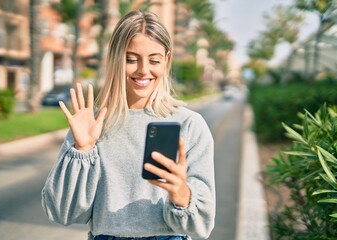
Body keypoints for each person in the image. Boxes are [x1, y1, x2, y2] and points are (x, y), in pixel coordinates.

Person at [41, 10, 215, 240]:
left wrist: (182, 194)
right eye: (131, 59)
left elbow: (202, 225)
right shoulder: (92, 124)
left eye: (154, 60)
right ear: (114, 58)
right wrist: (82, 150)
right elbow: (62, 212)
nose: (143, 70)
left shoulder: (190, 125)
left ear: (167, 60)